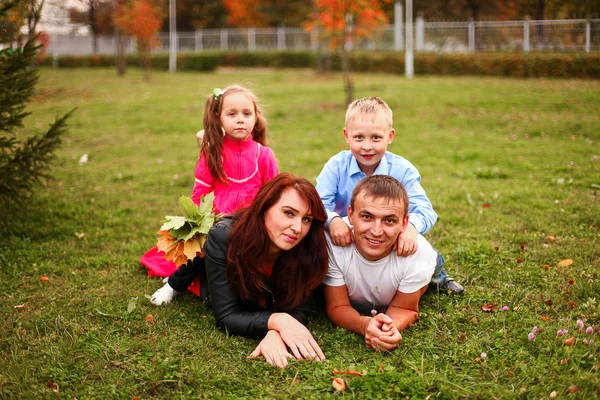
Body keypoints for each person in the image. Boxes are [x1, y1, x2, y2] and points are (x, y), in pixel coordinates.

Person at [315, 97, 463, 295]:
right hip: (346, 235)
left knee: (414, 246)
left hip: (385, 233)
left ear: (390, 136)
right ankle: (322, 284)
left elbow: (425, 210)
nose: (367, 146)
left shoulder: (402, 170)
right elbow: (317, 204)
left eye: (376, 138)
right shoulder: (336, 166)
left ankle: (437, 277)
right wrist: (333, 221)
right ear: (346, 135)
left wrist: (410, 228)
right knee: (319, 248)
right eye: (359, 137)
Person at [148, 85, 279, 305]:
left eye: (247, 114)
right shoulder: (212, 153)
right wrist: (199, 224)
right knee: (203, 251)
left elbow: (274, 193)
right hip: (215, 224)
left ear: (256, 118)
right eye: (232, 114)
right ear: (219, 118)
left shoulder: (264, 155)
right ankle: (174, 285)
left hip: (251, 222)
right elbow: (200, 192)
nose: (240, 120)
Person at [203, 173, 328, 368]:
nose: (297, 228)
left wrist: (274, 333)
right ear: (264, 207)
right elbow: (227, 315)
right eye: (289, 213)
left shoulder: (308, 248)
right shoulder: (224, 237)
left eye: (307, 219)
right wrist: (278, 319)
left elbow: (300, 309)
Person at [323, 175, 438, 351]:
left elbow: (405, 309)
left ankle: (439, 277)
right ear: (351, 215)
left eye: (389, 220)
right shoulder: (332, 244)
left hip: (423, 267)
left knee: (435, 271)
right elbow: (338, 306)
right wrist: (364, 324)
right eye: (367, 217)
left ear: (404, 223)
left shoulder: (419, 252)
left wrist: (387, 329)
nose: (377, 231)